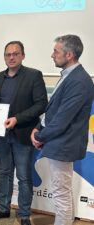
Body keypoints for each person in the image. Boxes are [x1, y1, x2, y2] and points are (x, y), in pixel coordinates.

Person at [31, 35, 94, 225]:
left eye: (56, 51)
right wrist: (38, 128)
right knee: (62, 192)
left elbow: (62, 120)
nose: (52, 55)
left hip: (63, 144)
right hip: (59, 142)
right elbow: (53, 110)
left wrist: (40, 136)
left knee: (61, 194)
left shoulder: (79, 81)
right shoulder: (69, 76)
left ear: (69, 54)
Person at [0, 41, 48, 225]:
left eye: (15, 54)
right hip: (2, 135)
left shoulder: (33, 75)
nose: (11, 57)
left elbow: (41, 104)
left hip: (22, 134)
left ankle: (24, 214)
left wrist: (17, 119)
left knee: (24, 176)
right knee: (4, 173)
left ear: (23, 56)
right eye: (7, 54)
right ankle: (3, 208)